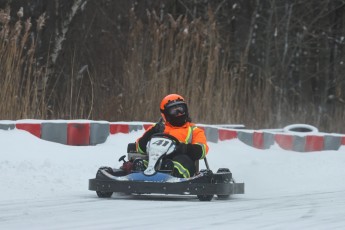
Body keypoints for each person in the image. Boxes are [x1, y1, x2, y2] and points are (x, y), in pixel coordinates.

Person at [134, 93, 209, 178]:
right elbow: (140, 148)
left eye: (181, 109)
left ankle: (172, 172)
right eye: (174, 111)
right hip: (155, 160)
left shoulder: (194, 130)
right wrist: (152, 132)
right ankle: (138, 172)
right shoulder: (157, 128)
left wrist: (183, 148)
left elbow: (202, 150)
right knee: (141, 161)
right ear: (165, 114)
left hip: (181, 160)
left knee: (183, 161)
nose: (179, 113)